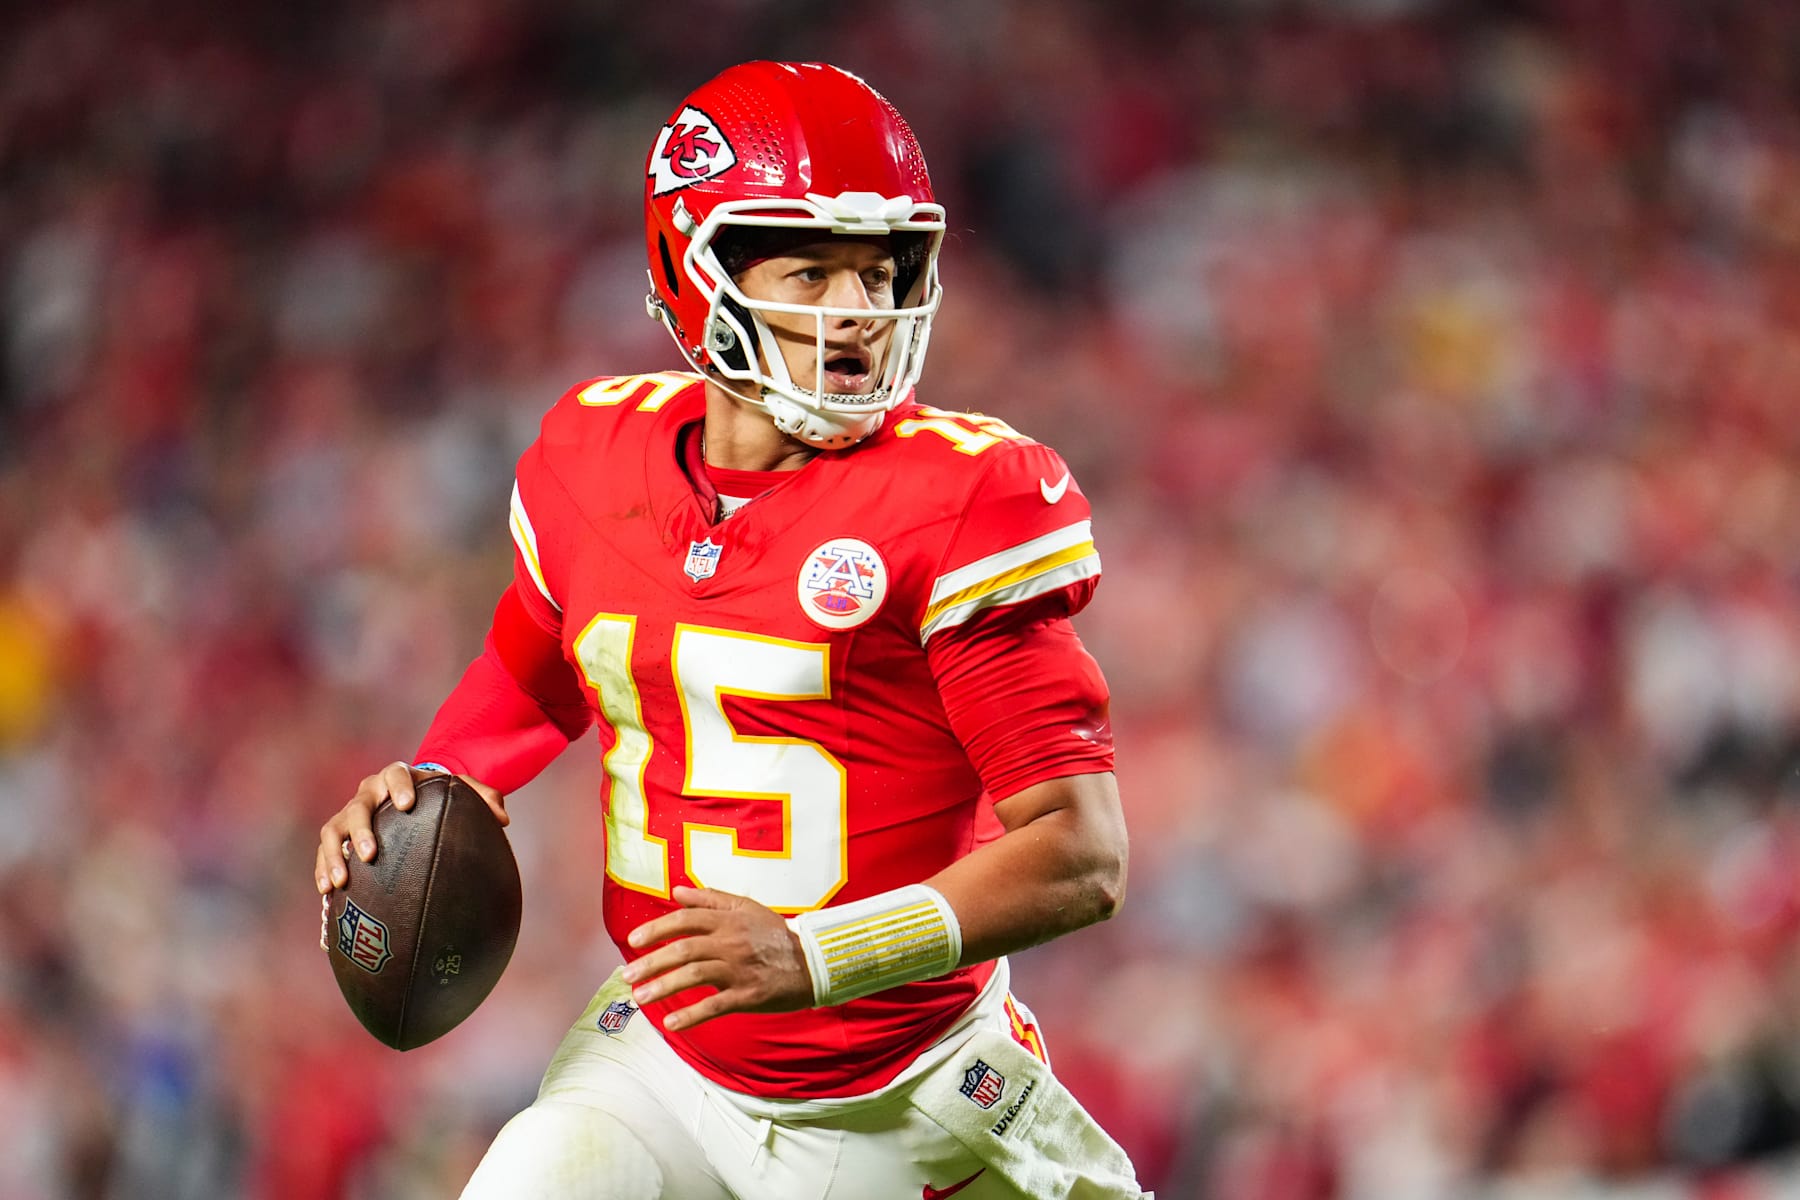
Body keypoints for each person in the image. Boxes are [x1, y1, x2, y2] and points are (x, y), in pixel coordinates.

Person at [315, 60, 1147, 1200]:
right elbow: (546, 664)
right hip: (665, 1061)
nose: (857, 313)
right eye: (813, 271)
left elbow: (1081, 855)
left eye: (878, 272)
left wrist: (815, 956)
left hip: (903, 1097)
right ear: (694, 278)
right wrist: (429, 779)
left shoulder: (968, 498)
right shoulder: (593, 456)